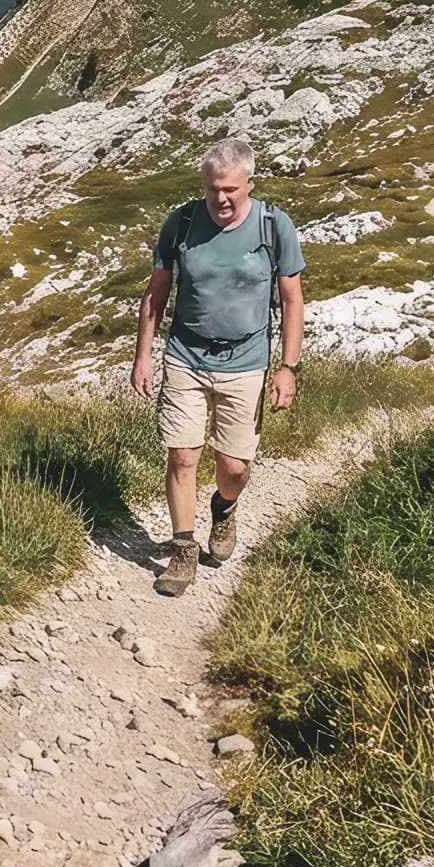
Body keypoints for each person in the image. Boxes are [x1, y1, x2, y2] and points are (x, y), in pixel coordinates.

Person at [130, 138, 305, 596]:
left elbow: (292, 300)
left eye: (230, 189)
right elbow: (156, 292)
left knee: (234, 466)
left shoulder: (274, 226)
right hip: (186, 355)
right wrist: (143, 355)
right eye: (212, 190)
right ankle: (183, 550)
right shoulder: (182, 222)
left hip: (246, 362)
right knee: (183, 455)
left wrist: (288, 368)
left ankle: (224, 508)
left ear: (249, 183)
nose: (221, 199)